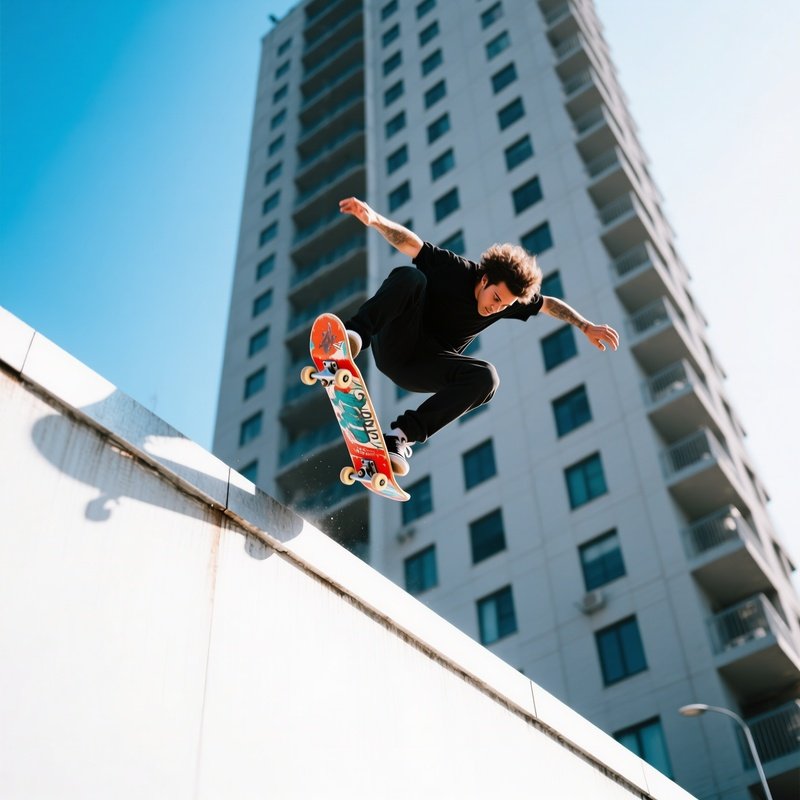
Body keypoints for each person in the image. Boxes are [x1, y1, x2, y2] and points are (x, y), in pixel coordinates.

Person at [338, 196, 620, 477]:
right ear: (484, 279)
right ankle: (351, 336)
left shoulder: (508, 302)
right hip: (395, 341)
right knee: (410, 277)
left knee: (487, 378)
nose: (496, 308)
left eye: (504, 305)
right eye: (495, 298)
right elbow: (410, 244)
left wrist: (585, 326)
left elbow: (548, 304)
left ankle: (398, 437)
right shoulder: (453, 268)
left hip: (422, 367)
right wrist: (375, 220)